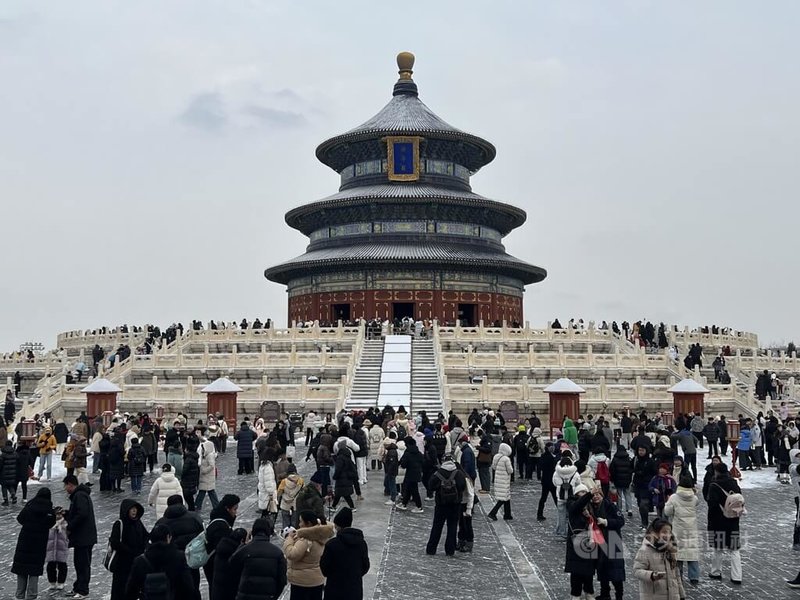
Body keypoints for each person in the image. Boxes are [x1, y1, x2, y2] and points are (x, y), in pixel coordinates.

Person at [124, 524, 199, 600]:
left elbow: (130, 590)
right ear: (168, 537)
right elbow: (188, 587)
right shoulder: (179, 557)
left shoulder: (140, 561)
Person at [12, 487, 56, 600]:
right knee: (34, 570)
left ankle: (19, 595)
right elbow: (51, 523)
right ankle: (32, 595)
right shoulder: (49, 510)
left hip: (25, 541)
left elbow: (20, 518)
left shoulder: (30, 505)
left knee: (21, 568)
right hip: (39, 543)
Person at [228, 517, 287, 600]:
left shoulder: (245, 550)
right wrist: (274, 596)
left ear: (253, 532)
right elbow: (282, 580)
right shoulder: (277, 553)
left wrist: (243, 544)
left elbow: (232, 563)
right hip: (268, 596)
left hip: (246, 595)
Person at [319, 507, 370, 600]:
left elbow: (324, 568)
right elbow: (365, 566)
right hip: (354, 589)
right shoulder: (361, 543)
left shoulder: (332, 544)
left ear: (338, 526)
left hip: (334, 589)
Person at [283, 510, 334, 600]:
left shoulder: (306, 539)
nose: (299, 524)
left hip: (302, 582)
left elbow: (292, 554)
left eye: (301, 521)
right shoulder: (322, 535)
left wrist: (289, 539)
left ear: (308, 523)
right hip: (317, 580)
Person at [706, 462, 742, 584]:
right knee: (735, 549)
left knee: (718, 548)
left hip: (719, 521)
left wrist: (710, 522)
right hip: (733, 520)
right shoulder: (734, 483)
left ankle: (716, 572)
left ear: (716, 472)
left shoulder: (714, 485)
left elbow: (712, 505)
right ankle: (737, 576)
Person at [63, 474, 98, 599]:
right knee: (79, 563)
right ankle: (78, 587)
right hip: (84, 537)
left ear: (70, 484)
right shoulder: (80, 495)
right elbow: (78, 513)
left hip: (84, 537)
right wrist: (66, 513)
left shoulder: (79, 496)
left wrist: (70, 526)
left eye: (66, 486)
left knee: (83, 564)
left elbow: (82, 514)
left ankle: (83, 590)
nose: (65, 489)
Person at [633, 518, 685, 599]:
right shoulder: (645, 550)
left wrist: (681, 595)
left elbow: (676, 576)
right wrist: (652, 575)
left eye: (669, 532)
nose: (668, 535)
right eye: (664, 532)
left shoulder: (671, 550)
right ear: (655, 533)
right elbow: (637, 571)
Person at [590, 485, 626, 600]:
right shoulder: (591, 508)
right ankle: (605, 594)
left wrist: (606, 522)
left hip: (613, 541)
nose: (596, 497)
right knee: (602, 568)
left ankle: (619, 595)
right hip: (600, 543)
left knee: (616, 571)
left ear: (602, 495)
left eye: (598, 494)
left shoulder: (610, 506)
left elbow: (620, 521)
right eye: (593, 495)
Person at [425, 455, 467, 555]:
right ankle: (450, 550)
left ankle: (431, 549)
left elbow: (430, 486)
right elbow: (462, 486)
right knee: (452, 527)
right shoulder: (458, 473)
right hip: (455, 505)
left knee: (437, 527)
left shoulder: (438, 473)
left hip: (441, 504)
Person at [663, 474, 700, 585]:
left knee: (678, 553)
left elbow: (667, 512)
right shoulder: (694, 498)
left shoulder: (674, 497)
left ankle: (678, 575)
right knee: (692, 553)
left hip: (678, 529)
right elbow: (696, 503)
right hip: (691, 529)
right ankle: (694, 576)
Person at [108, 499, 148, 600]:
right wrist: (130, 551)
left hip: (135, 563)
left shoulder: (138, 522)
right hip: (122, 564)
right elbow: (114, 542)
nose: (134, 511)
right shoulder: (119, 524)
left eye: (135, 509)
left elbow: (145, 535)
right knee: (120, 589)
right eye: (132, 509)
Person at [564, 484, 597, 599]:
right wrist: (589, 494)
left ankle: (589, 591)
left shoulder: (589, 505)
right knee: (576, 570)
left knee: (588, 570)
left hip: (589, 541)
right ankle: (575, 593)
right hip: (576, 541)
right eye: (581, 492)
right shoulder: (572, 502)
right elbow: (576, 507)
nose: (583, 494)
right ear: (576, 493)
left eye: (585, 492)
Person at [204, 494, 241, 589]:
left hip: (213, 564)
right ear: (227, 509)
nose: (236, 512)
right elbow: (222, 547)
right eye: (234, 509)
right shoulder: (221, 525)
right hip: (215, 565)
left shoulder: (219, 520)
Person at [210, 528, 248, 600]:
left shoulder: (221, 548)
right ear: (242, 540)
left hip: (217, 591)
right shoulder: (236, 554)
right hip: (230, 593)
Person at [553, 454, 580, 538]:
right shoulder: (575, 473)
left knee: (561, 515)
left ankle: (561, 532)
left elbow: (554, 483)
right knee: (571, 515)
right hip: (572, 498)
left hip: (560, 497)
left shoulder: (557, 472)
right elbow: (578, 483)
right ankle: (571, 531)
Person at [487, 442, 514, 520]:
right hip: (504, 480)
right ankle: (493, 513)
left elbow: (494, 467)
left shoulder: (496, 456)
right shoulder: (506, 459)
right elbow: (510, 471)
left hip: (498, 479)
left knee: (506, 497)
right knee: (503, 498)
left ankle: (507, 514)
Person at [632, 447, 656, 528]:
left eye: (642, 450)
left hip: (646, 486)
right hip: (638, 486)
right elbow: (631, 469)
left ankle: (645, 523)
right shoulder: (636, 460)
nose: (641, 452)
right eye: (639, 450)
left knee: (643, 505)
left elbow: (654, 473)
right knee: (640, 504)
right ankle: (643, 521)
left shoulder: (650, 461)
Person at [46, 510, 70, 592]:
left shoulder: (66, 523)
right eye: (56, 514)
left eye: (60, 514)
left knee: (62, 566)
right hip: (51, 548)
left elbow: (68, 534)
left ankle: (61, 582)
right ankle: (52, 582)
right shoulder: (50, 523)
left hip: (62, 548)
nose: (58, 516)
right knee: (50, 566)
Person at [332, 441, 359, 511]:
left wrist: (335, 476)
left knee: (343, 494)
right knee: (340, 494)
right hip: (347, 478)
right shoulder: (348, 456)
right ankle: (334, 506)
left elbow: (338, 469)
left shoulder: (340, 457)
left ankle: (352, 507)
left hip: (341, 478)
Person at [197, 434, 219, 511]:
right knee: (206, 492)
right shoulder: (207, 455)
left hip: (207, 477)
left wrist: (203, 471)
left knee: (207, 492)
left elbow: (211, 466)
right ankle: (198, 505)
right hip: (206, 478)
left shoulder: (209, 456)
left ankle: (198, 505)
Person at [537, 442, 558, 522]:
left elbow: (539, 467)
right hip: (551, 481)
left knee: (543, 498)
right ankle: (562, 513)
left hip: (545, 480)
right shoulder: (551, 458)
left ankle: (539, 514)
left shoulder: (543, 456)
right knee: (556, 498)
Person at [1, 439, 18, 504]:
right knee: (11, 485)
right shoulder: (15, 453)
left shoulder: (3, 454)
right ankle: (13, 495)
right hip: (13, 473)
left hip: (4, 473)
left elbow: (0, 464)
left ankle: (6, 500)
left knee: (4, 486)